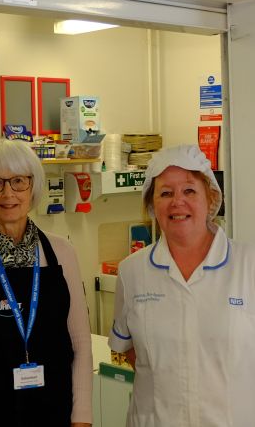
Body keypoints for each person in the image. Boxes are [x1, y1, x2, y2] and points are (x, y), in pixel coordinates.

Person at [0, 137, 93, 426]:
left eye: (19, 181)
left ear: (33, 186)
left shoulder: (62, 253)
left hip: (57, 410)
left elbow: (81, 343)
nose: (8, 193)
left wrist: (81, 416)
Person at [109, 144, 255, 426]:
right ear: (152, 205)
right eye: (166, 193)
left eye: (189, 190)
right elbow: (130, 351)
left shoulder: (248, 265)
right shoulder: (132, 272)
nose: (178, 202)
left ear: (210, 198)